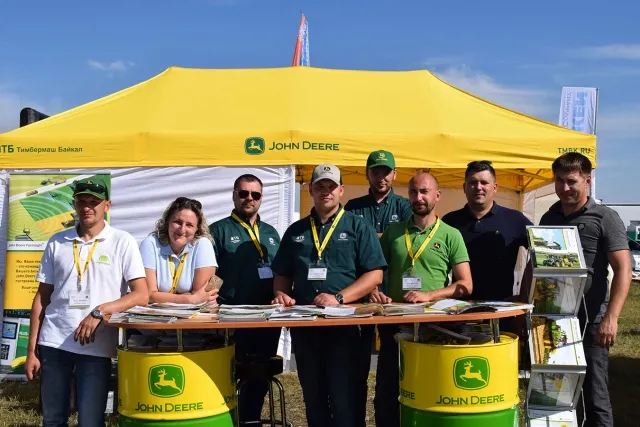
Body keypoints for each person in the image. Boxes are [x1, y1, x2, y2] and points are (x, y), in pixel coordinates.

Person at [24, 178, 149, 427]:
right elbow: (42, 297)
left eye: (94, 202)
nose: (87, 207)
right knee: (52, 419)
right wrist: (31, 351)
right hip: (54, 341)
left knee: (91, 421)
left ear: (107, 206)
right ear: (74, 204)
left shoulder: (122, 241)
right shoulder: (57, 241)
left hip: (96, 346)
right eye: (82, 201)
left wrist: (100, 311)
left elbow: (141, 294)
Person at [271, 164, 387, 427]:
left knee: (346, 399)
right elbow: (282, 274)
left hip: (347, 329)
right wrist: (281, 294)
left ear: (341, 190)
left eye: (331, 187)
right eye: (320, 187)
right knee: (313, 398)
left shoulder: (359, 226)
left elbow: (375, 275)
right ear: (311, 190)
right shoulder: (296, 231)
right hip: (306, 328)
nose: (326, 192)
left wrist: (339, 298)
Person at [370, 172, 472, 427]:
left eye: (424, 191)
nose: (419, 197)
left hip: (434, 326)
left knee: (429, 391)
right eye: (413, 192)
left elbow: (466, 284)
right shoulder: (393, 232)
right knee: (387, 393)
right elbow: (374, 272)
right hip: (395, 324)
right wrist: (374, 290)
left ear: (437, 196)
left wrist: (429, 295)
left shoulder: (450, 234)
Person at [539, 153, 631, 427]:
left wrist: (611, 318)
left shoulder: (605, 217)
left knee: (595, 394)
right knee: (556, 392)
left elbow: (623, 269)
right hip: (554, 320)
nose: (565, 187)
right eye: (559, 181)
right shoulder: (548, 218)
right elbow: (537, 267)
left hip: (592, 321)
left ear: (587, 181)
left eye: (572, 181)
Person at [209, 174, 281, 423]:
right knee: (230, 375)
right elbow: (209, 274)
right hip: (232, 317)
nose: (249, 198)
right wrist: (211, 303)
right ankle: (229, 420)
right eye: (243, 193)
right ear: (234, 195)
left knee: (259, 376)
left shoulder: (271, 233)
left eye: (255, 194)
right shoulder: (218, 230)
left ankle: (251, 420)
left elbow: (280, 271)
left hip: (267, 318)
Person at [442, 161, 532, 302]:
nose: (478, 187)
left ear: (495, 188)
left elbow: (541, 253)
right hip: (459, 307)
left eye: (484, 182)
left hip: (502, 308)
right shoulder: (449, 221)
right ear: (464, 187)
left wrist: (524, 293)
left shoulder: (515, 219)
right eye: (473, 182)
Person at [140, 197, 218, 304]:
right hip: (157, 313)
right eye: (177, 222)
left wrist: (160, 297)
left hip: (196, 312)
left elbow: (204, 298)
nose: (182, 230)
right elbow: (146, 295)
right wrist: (191, 299)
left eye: (189, 225)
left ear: (197, 229)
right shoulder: (150, 243)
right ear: (167, 222)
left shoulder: (203, 244)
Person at [345, 149, 412, 238]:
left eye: (386, 173)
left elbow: (411, 235)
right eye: (375, 173)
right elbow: (345, 237)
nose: (381, 178)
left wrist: (364, 237)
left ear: (394, 174)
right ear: (367, 174)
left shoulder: (405, 206)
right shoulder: (352, 207)